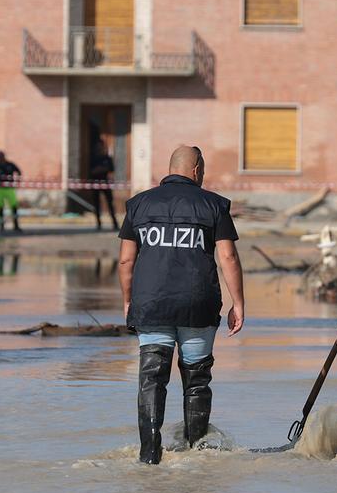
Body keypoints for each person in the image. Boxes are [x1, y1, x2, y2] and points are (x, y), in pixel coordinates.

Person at [118, 145, 245, 465]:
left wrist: (129, 301)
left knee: (151, 377)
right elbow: (228, 256)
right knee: (197, 377)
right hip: (197, 304)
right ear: (197, 170)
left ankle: (149, 453)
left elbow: (124, 261)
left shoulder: (138, 205)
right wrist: (237, 302)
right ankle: (196, 452)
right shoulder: (214, 204)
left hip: (152, 304)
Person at [89, 141, 119, 231]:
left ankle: (115, 223)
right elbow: (92, 171)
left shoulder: (107, 158)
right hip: (95, 183)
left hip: (106, 183)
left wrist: (100, 169)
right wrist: (102, 169)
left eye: (101, 147)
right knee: (96, 204)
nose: (99, 149)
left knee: (110, 203)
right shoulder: (93, 158)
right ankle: (98, 223)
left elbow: (111, 169)